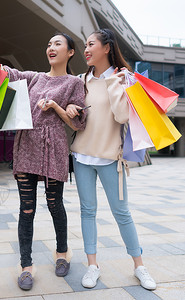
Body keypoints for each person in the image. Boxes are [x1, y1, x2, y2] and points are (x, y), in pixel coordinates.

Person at [0, 31, 86, 290]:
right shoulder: (33, 78)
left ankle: (62, 253)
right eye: (49, 44)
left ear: (70, 52)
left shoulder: (74, 83)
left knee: (54, 204)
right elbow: (3, 72)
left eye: (57, 44)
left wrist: (57, 107)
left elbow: (77, 123)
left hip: (54, 148)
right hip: (26, 145)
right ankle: (26, 266)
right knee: (26, 209)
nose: (51, 47)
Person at [66, 28, 156, 290]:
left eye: (90, 44)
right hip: (82, 156)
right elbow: (75, 118)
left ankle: (139, 266)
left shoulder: (122, 78)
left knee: (122, 213)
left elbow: (122, 116)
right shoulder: (80, 80)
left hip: (110, 158)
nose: (85, 49)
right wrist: (71, 109)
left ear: (106, 48)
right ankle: (92, 265)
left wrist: (113, 83)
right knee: (87, 212)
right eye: (85, 45)